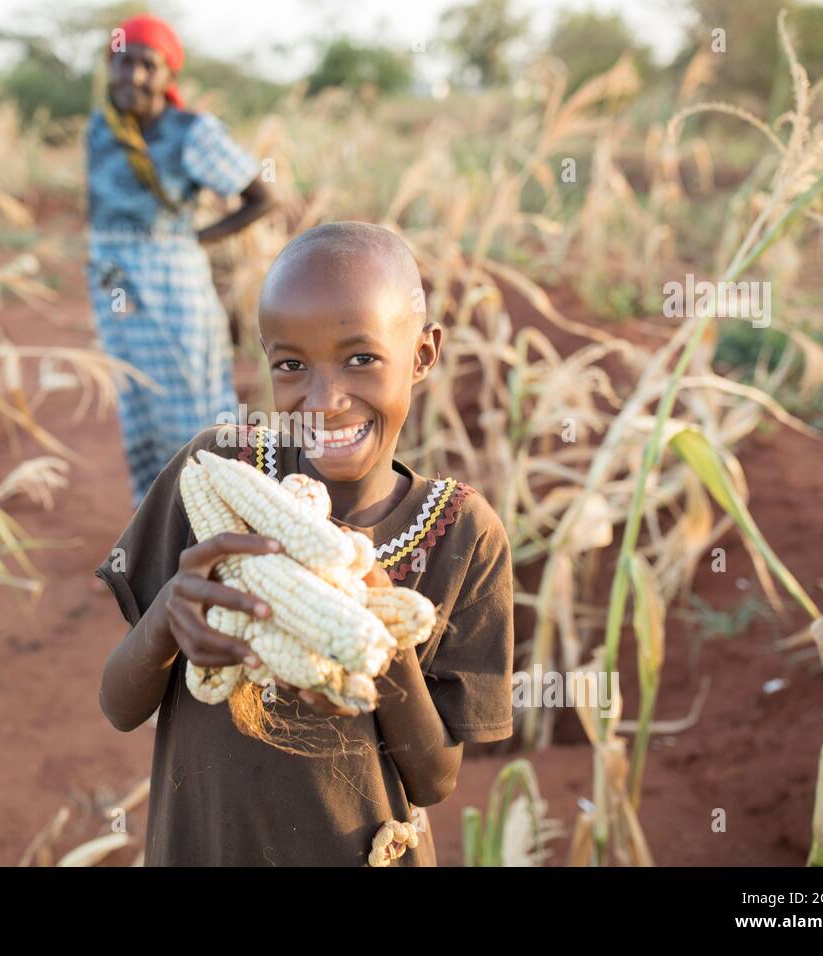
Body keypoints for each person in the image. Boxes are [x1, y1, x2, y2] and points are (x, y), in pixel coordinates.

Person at [95, 221, 515, 866]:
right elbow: (119, 707)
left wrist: (381, 645)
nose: (325, 400)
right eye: (291, 365)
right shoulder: (217, 471)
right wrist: (168, 618)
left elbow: (435, 778)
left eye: (361, 357)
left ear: (423, 354)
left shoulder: (463, 534)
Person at [85, 13, 275, 507]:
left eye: (149, 65)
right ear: (111, 67)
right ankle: (158, 526)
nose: (135, 76)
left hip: (173, 283)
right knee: (137, 403)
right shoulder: (100, 132)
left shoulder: (192, 131)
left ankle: (215, 514)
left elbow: (260, 198)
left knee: (191, 403)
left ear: (169, 76)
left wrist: (191, 239)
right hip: (113, 287)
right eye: (124, 63)